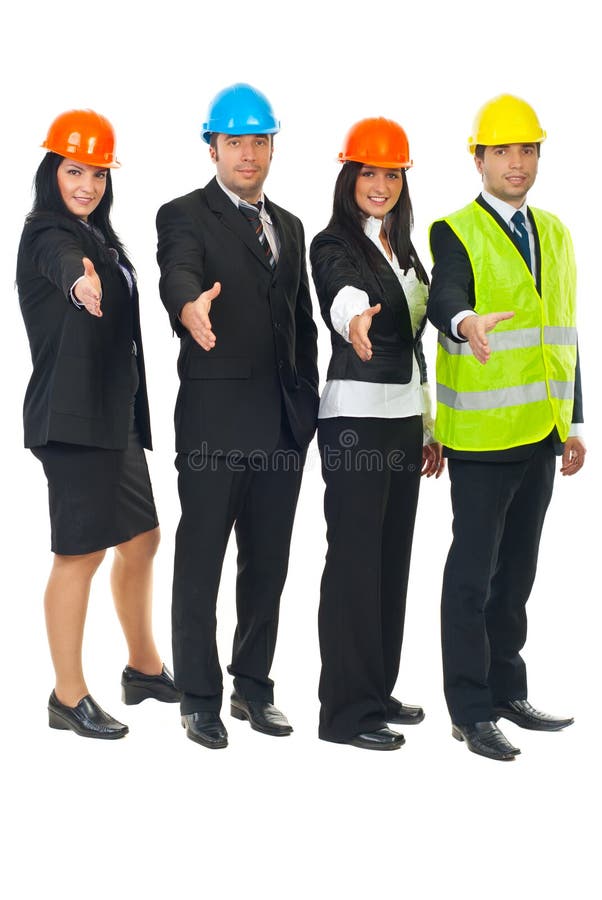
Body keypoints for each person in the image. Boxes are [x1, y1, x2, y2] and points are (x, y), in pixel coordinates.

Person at [156, 83, 319, 750]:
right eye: (234, 142)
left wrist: (305, 401)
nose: (248, 154)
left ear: (272, 145)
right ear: (212, 146)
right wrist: (189, 308)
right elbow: (179, 274)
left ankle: (252, 687)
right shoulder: (184, 214)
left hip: (282, 426)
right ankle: (199, 698)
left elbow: (300, 321)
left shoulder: (291, 224)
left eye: (259, 141)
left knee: (268, 564)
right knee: (201, 564)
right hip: (214, 424)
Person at [428, 94, 585, 761]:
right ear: (478, 158)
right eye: (503, 151)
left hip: (541, 435)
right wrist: (466, 323)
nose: (516, 163)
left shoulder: (555, 231)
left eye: (527, 150)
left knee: (516, 572)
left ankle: (505, 689)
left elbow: (565, 335)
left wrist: (572, 422)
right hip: (483, 441)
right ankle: (469, 710)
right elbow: (444, 298)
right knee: (472, 576)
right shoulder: (454, 229)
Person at [17, 109, 179, 740]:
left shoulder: (101, 236)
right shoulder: (49, 235)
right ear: (52, 170)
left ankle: (142, 667)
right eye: (74, 170)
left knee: (141, 539)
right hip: (73, 419)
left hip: (114, 418)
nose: (87, 184)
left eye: (98, 173)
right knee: (78, 554)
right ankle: (67, 695)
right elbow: (63, 266)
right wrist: (80, 288)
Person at [310, 118, 443, 751]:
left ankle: (376, 688)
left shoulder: (405, 246)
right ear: (349, 177)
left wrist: (428, 424)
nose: (381, 184)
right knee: (354, 563)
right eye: (369, 172)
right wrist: (352, 318)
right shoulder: (332, 242)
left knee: (391, 560)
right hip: (356, 423)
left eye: (391, 174)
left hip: (401, 420)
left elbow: (418, 344)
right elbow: (342, 290)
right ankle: (343, 711)